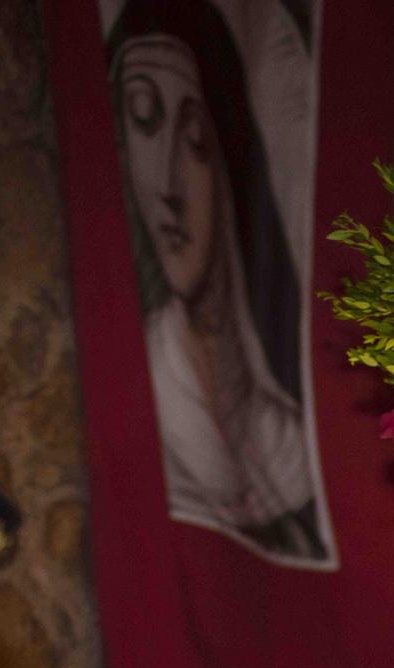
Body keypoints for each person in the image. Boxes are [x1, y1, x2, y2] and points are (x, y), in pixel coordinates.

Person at [105, 0, 332, 565]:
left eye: (195, 143)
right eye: (142, 125)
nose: (169, 185)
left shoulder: (285, 431)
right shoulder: (139, 398)